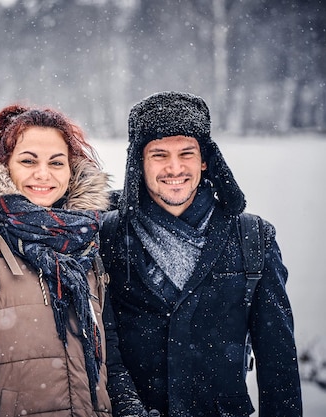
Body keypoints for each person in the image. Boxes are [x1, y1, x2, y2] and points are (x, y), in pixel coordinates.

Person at [0, 103, 142, 417]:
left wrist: (130, 408)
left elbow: (107, 355)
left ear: (71, 171)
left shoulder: (85, 247)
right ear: (4, 166)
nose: (43, 174)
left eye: (56, 163)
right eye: (28, 161)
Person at [100, 91, 302, 416]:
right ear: (139, 161)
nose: (174, 168)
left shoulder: (252, 239)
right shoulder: (106, 236)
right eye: (159, 155)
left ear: (205, 159)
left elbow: (278, 365)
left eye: (187, 153)